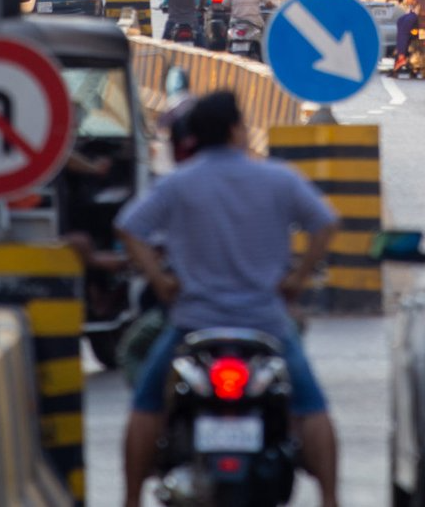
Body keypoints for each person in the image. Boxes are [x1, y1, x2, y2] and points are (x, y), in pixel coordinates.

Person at [117, 91, 341, 507]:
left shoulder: (179, 184)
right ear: (237, 129)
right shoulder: (278, 178)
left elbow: (130, 229)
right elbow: (326, 224)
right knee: (312, 406)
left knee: (146, 404)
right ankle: (329, 498)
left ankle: (131, 498)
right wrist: (297, 278)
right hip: (267, 323)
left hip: (191, 324)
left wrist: (161, 283)